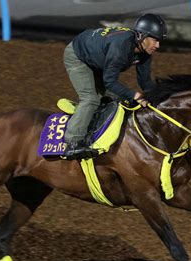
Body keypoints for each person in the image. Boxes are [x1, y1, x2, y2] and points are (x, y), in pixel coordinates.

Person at [63, 13, 167, 160]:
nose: (158, 46)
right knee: (91, 98)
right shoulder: (121, 46)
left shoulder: (145, 53)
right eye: (155, 40)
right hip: (78, 57)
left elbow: (145, 82)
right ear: (142, 36)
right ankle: (72, 143)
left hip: (98, 59)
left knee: (120, 98)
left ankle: (94, 127)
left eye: (160, 41)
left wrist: (157, 99)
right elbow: (110, 82)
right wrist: (135, 95)